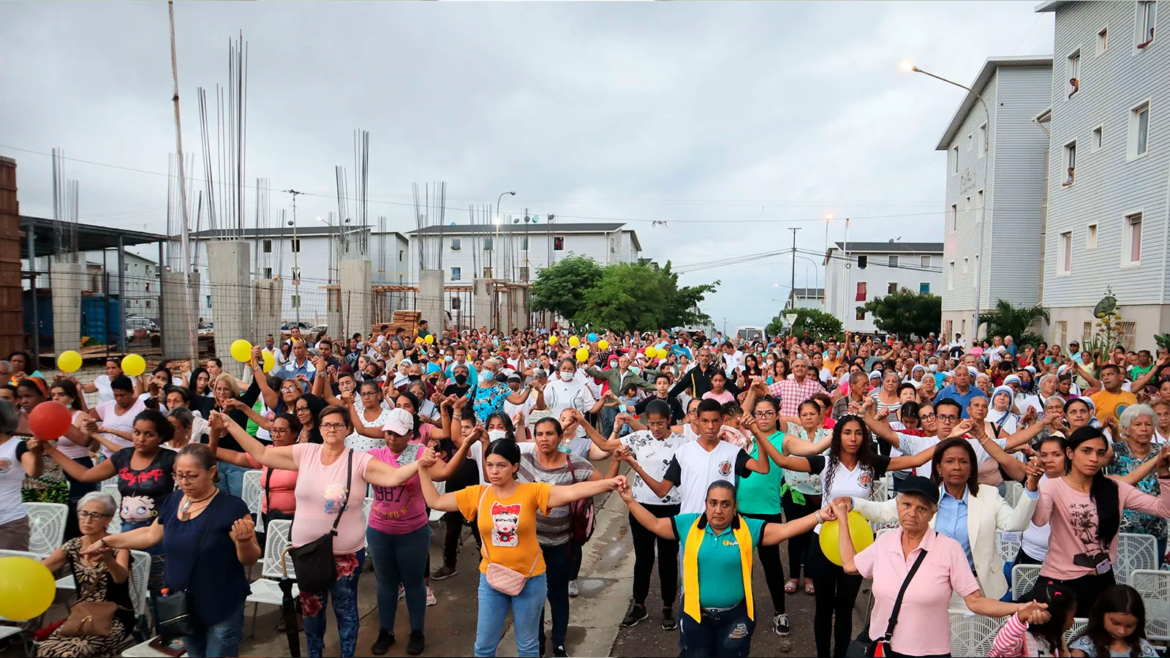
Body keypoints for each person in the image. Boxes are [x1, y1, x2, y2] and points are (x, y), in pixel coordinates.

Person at [211, 405, 424, 658]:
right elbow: (260, 453)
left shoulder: (359, 459)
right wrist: (229, 424)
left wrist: (421, 463)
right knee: (311, 613)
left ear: (347, 429)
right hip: (307, 553)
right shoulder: (305, 453)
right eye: (326, 424)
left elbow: (395, 477)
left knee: (346, 612)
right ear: (319, 428)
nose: (331, 429)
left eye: (337, 424)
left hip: (345, 555)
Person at [416, 438, 623, 658]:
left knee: (527, 646)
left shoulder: (532, 492)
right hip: (491, 579)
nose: (494, 471)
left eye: (501, 465)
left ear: (515, 467)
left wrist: (610, 483)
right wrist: (421, 468)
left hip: (530, 579)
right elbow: (435, 501)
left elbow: (572, 492)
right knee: (483, 647)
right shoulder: (478, 494)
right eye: (489, 465)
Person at [764, 416, 933, 658]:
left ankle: (841, 654)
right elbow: (782, 460)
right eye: (846, 433)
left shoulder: (871, 464)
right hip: (823, 541)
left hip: (858, 545)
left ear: (864, 437)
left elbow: (916, 459)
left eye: (858, 433)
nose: (852, 438)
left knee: (844, 608)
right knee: (823, 607)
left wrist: (952, 440)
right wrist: (756, 432)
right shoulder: (824, 463)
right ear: (837, 436)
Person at [618, 479, 831, 658]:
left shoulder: (748, 528)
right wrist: (629, 499)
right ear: (706, 504)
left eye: (725, 504)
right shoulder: (688, 524)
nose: (718, 510)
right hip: (695, 616)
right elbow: (654, 524)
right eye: (713, 503)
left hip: (736, 618)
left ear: (735, 506)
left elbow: (786, 529)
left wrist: (820, 516)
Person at [82, 444, 259, 658]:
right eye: (178, 475)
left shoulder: (231, 508)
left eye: (191, 476)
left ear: (212, 472)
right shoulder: (175, 500)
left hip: (220, 603)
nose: (184, 482)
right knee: (193, 653)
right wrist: (107, 541)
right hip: (182, 603)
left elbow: (250, 558)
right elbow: (150, 535)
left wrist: (244, 541)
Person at [833, 479, 1044, 658]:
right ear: (897, 506)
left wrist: (1019, 608)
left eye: (921, 508)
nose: (912, 513)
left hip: (929, 651)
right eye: (906, 504)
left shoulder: (949, 549)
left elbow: (975, 601)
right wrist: (843, 519)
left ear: (933, 513)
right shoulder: (885, 542)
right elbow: (851, 565)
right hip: (882, 646)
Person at [843, 437, 1042, 604]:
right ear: (939, 467)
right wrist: (851, 502)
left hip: (979, 586)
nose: (957, 467)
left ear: (972, 467)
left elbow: (1015, 524)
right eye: (949, 461)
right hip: (929, 585)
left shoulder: (989, 496)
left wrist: (1031, 487)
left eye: (963, 461)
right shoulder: (924, 496)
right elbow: (882, 511)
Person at [1028, 426, 1170, 616]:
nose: (1094, 458)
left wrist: (1164, 475)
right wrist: (1032, 485)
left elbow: (1164, 509)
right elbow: (1039, 519)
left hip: (1102, 579)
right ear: (1070, 453)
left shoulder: (1115, 488)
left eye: (1100, 453)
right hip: (1060, 581)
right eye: (1086, 451)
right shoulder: (1053, 486)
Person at [366, 408, 473, 656]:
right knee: (385, 583)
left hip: (412, 531)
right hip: (379, 530)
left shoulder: (420, 453)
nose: (391, 438)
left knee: (414, 583)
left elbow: (445, 472)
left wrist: (465, 445)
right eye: (388, 432)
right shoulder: (373, 455)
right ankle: (385, 631)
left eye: (398, 434)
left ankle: (417, 632)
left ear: (411, 435)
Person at [44, 408, 177, 589]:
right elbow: (85, 474)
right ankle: (137, 619)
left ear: (161, 437)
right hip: (127, 533)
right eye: (137, 432)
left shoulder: (170, 459)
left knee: (159, 590)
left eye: (149, 434)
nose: (141, 438)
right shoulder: (123, 457)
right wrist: (50, 449)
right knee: (129, 589)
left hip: (159, 534)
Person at [517, 416, 617, 657]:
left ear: (560, 437)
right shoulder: (523, 462)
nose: (544, 439)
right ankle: (538, 642)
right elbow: (494, 469)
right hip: (530, 545)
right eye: (539, 434)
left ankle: (559, 642)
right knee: (533, 597)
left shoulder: (576, 465)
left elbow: (604, 483)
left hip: (562, 545)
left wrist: (618, 462)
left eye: (549, 434)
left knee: (557, 595)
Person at [37, 491, 135, 657]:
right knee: (45, 649)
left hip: (115, 616)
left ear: (108, 519)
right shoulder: (73, 546)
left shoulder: (118, 546)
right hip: (82, 616)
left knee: (73, 653)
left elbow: (121, 578)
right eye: (83, 513)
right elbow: (42, 568)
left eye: (95, 515)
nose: (87, 520)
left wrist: (108, 560)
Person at [1104, 404, 1168, 564]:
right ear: (1126, 429)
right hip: (1120, 531)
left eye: (1148, 424)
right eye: (1137, 424)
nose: (1144, 429)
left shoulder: (1163, 451)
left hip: (1155, 528)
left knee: (1150, 578)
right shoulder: (1114, 450)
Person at [988, 583, 1078, 657]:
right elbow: (1000, 646)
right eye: (1071, 617)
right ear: (1055, 622)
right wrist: (1021, 616)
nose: (1073, 622)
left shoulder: (1052, 638)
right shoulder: (1021, 639)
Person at [1068, 584, 1158, 657]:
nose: (1121, 631)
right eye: (1115, 623)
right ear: (1101, 614)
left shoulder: (1143, 647)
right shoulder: (1086, 645)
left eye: (1129, 626)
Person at [0, 399, 43, 550]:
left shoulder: (18, 446)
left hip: (9, 524)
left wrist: (37, 455)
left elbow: (34, 472)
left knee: (9, 571)